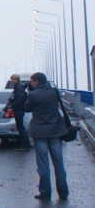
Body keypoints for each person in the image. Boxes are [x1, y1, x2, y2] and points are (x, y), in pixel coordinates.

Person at [24, 72, 69, 200]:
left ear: (36, 81)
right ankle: (63, 192)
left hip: (40, 132)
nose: (32, 84)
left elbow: (27, 108)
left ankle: (45, 192)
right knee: (59, 163)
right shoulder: (54, 92)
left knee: (43, 164)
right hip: (55, 131)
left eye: (32, 82)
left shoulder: (33, 94)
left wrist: (29, 93)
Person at [3, 74, 31, 149]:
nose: (12, 81)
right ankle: (26, 144)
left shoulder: (18, 87)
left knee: (20, 128)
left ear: (17, 79)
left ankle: (24, 145)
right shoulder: (19, 87)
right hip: (19, 109)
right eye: (12, 79)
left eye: (14, 79)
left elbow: (20, 99)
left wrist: (12, 105)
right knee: (21, 128)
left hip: (18, 109)